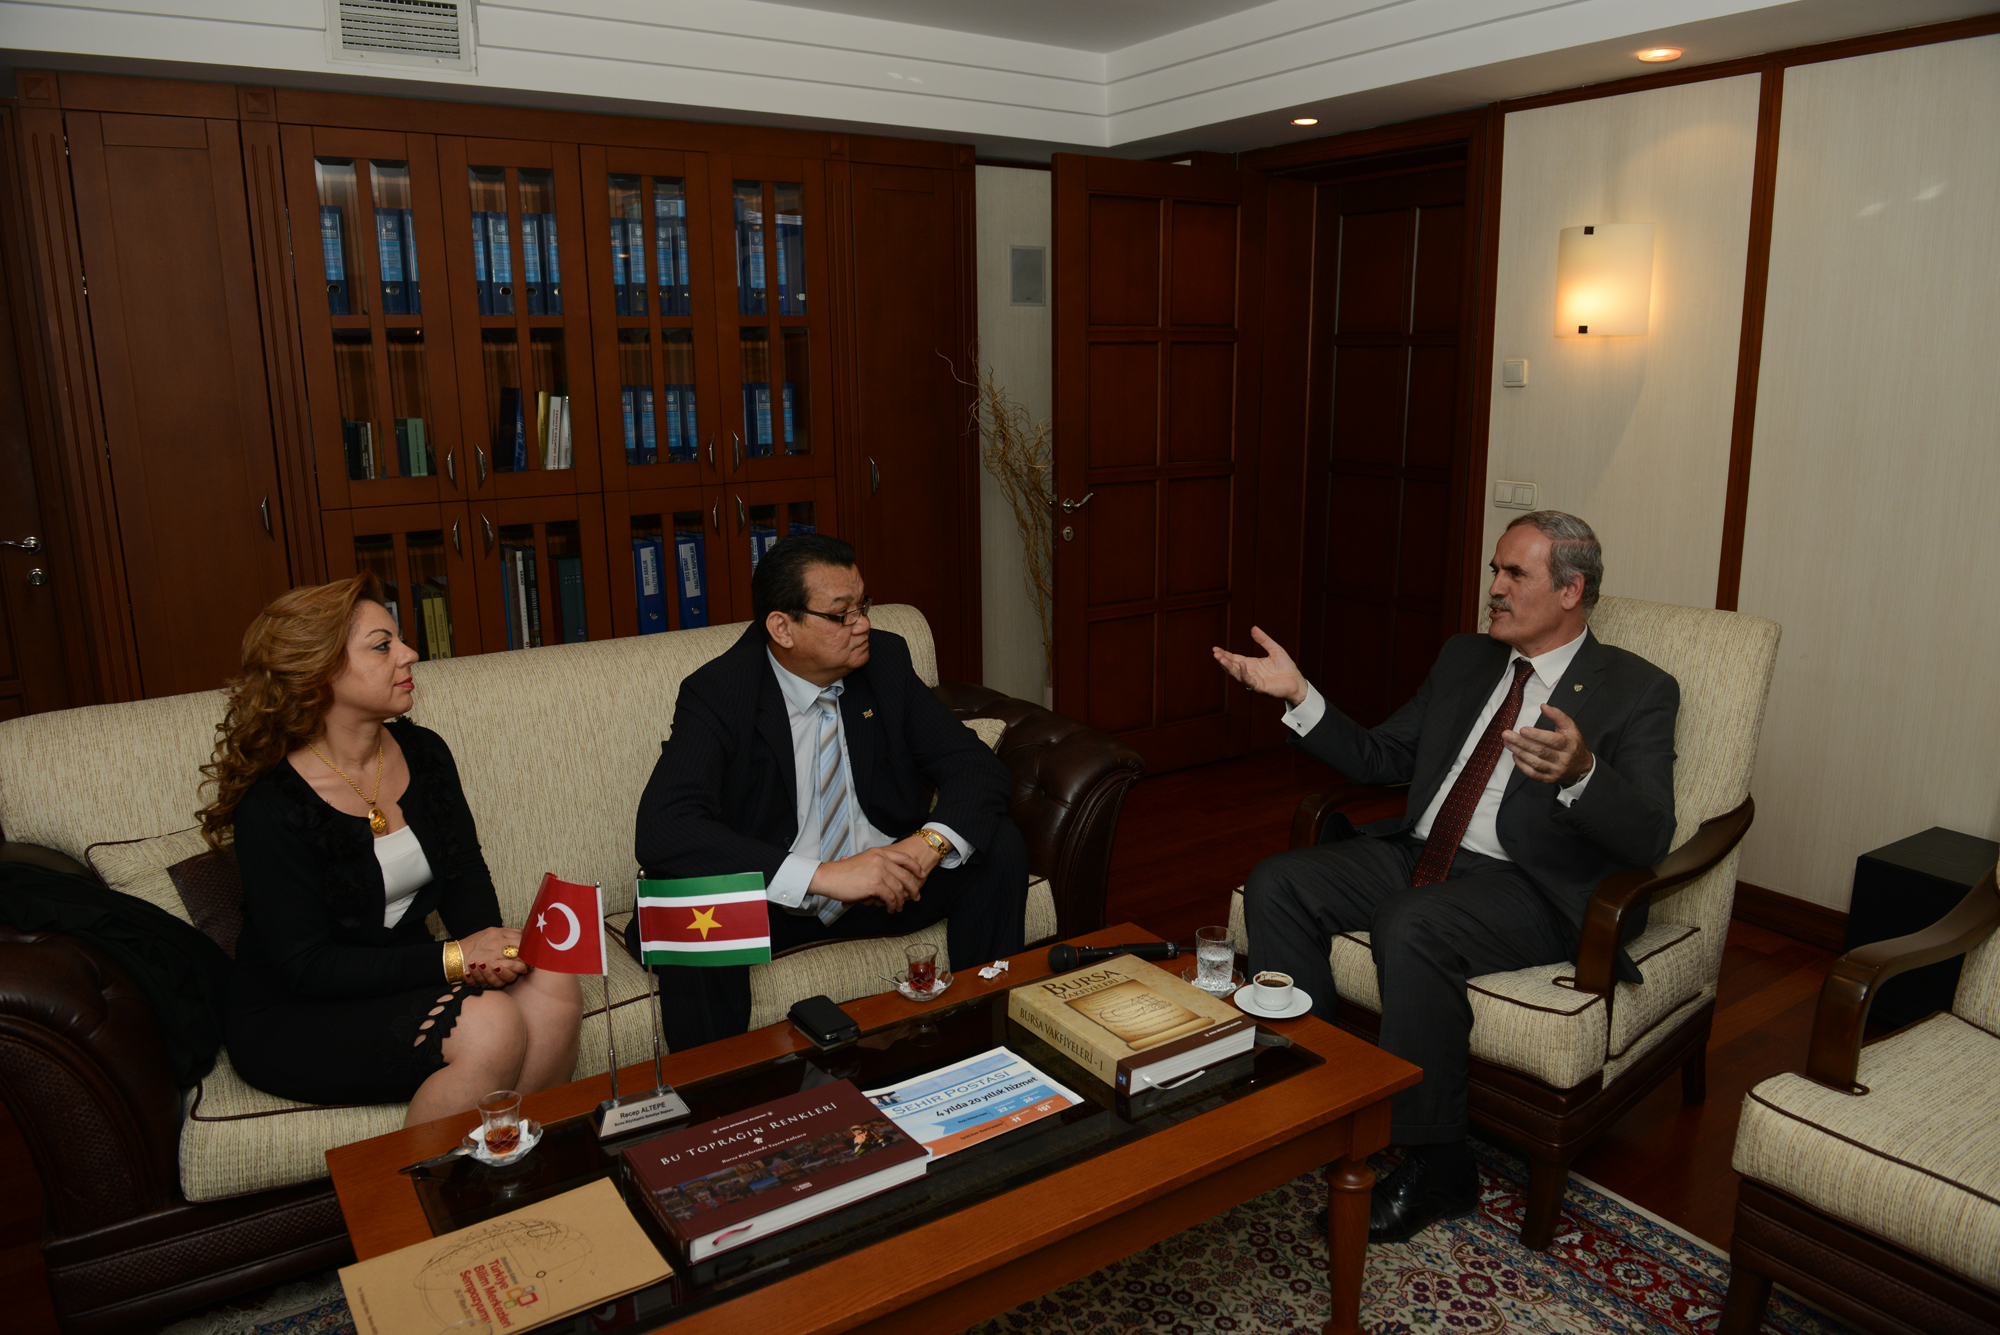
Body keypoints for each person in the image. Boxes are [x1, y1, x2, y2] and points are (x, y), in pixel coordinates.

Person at [1212, 511, 1678, 1243]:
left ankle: (1439, 1164)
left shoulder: (1639, 688)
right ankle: (1318, 1097)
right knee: (1278, 881)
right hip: (1423, 850)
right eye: (1495, 570)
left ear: (1570, 591)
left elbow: (1651, 834)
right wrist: (1300, 695)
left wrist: (1584, 773)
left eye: (1514, 574)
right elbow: (1381, 758)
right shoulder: (1467, 657)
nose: (1494, 588)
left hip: (1532, 884)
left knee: (1410, 922)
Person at [200, 575, 582, 1126]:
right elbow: (308, 966)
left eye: (399, 639)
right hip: (297, 1009)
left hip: (401, 976)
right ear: (320, 671)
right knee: (491, 1024)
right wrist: (457, 957)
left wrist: (490, 954)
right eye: (382, 646)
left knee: (552, 976)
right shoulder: (273, 803)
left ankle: (515, 1158)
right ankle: (423, 1182)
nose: (409, 654)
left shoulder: (423, 752)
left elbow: (464, 872)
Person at [630, 534, 1028, 1049]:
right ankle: (723, 1094)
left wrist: (926, 845)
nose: (862, 625)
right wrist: (824, 876)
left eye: (864, 605)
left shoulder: (884, 661)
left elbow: (975, 767)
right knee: (694, 907)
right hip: (776, 900)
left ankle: (985, 1042)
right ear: (782, 628)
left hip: (886, 889)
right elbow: (664, 828)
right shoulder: (721, 691)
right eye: (842, 614)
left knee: (997, 842)